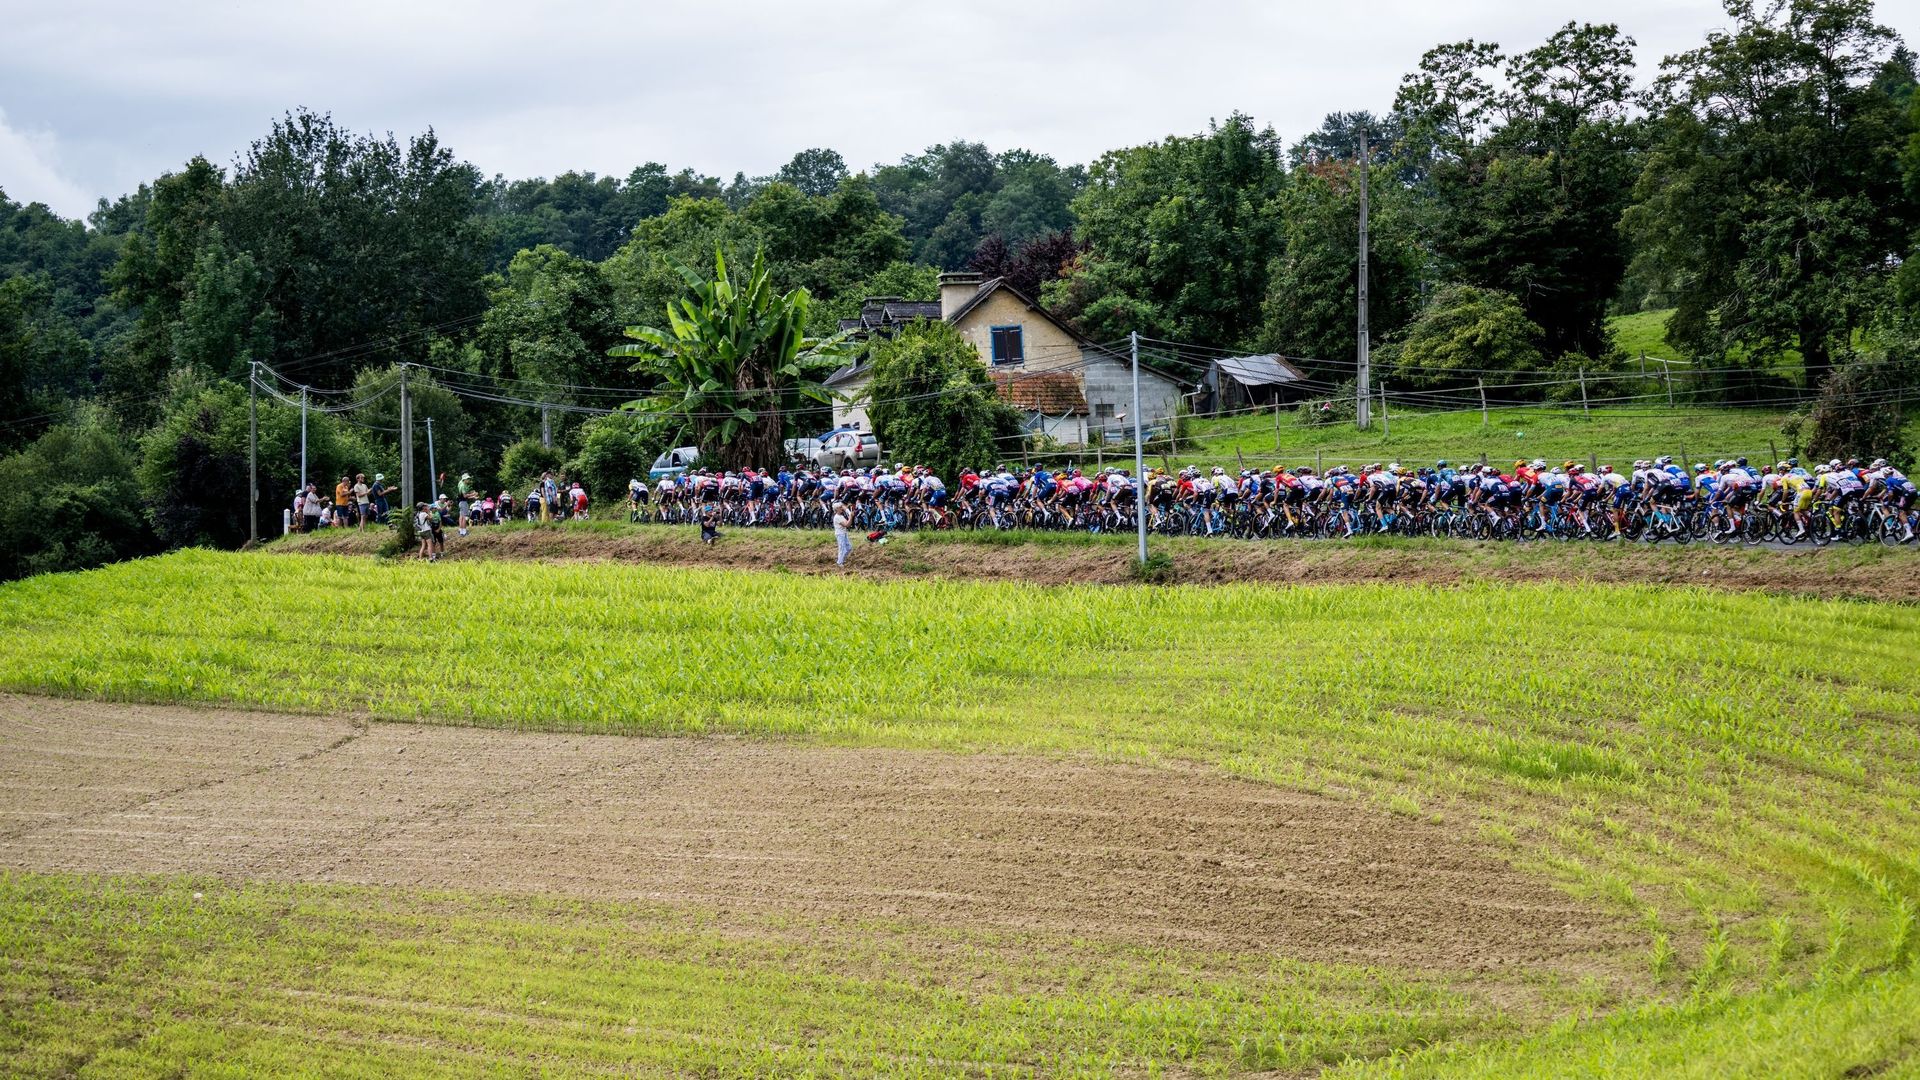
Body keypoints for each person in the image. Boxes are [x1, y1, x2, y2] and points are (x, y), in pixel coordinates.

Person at [832, 501, 852, 566]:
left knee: (849, 547)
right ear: (837, 509)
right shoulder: (837, 517)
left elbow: (848, 523)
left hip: (844, 533)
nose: (841, 508)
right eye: (840, 507)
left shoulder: (841, 516)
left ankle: (841, 560)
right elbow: (846, 525)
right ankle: (839, 562)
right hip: (840, 534)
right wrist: (851, 516)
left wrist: (850, 516)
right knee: (842, 548)